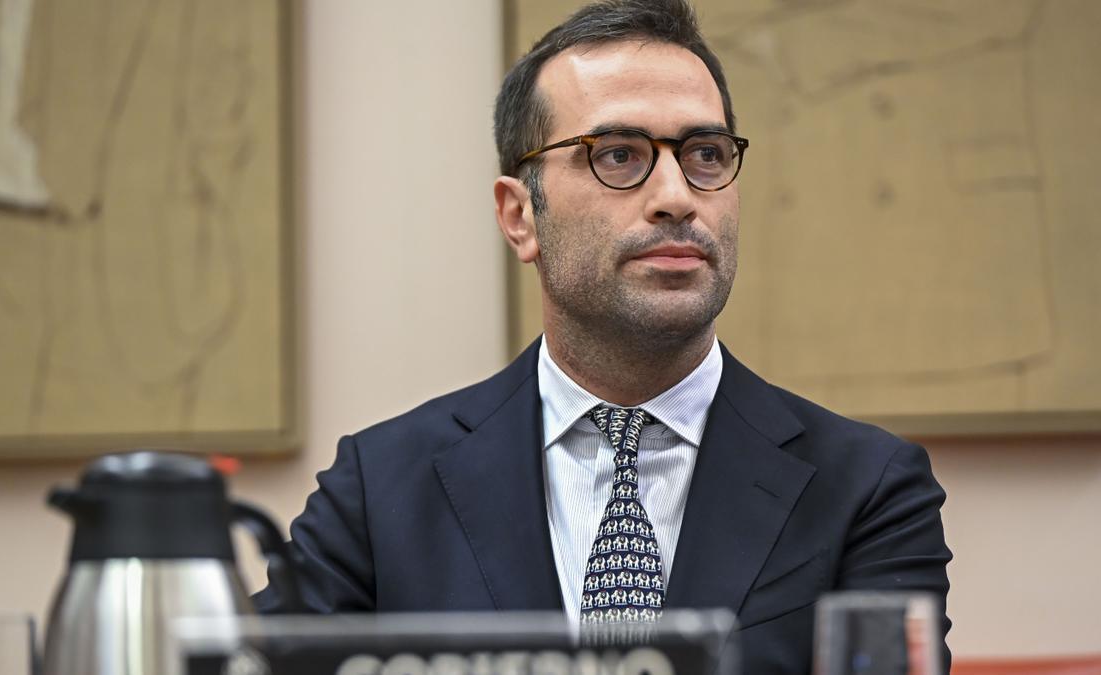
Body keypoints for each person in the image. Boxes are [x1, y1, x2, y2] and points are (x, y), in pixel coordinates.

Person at [256, 1, 952, 672]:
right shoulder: (380, 490)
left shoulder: (866, 490)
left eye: (705, 154)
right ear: (520, 215)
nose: (678, 195)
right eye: (619, 155)